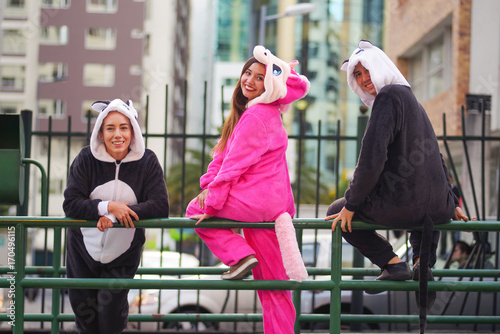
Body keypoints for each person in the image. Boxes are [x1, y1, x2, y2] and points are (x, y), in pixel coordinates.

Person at [324, 41, 470, 333]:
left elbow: (372, 156)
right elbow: (434, 154)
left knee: (336, 211)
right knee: (420, 208)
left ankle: (393, 264)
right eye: (358, 75)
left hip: (405, 202)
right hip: (436, 206)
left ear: (381, 67)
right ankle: (421, 263)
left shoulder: (388, 97)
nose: (365, 80)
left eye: (367, 71)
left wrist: (352, 203)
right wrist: (452, 200)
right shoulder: (412, 101)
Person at [186, 45, 310, 334]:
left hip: (257, 202)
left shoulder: (255, 118)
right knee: (274, 285)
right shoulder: (261, 114)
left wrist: (212, 202)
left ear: (269, 84)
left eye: (259, 77)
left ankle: (239, 256)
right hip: (272, 207)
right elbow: (222, 160)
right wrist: (208, 186)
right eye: (247, 73)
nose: (249, 81)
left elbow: (233, 168)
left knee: (195, 210)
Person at [63, 99, 169, 334]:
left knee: (111, 315)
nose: (117, 134)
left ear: (133, 131)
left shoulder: (147, 161)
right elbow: (71, 203)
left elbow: (160, 205)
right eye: (110, 128)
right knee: (85, 317)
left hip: (124, 253)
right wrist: (106, 206)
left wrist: (115, 216)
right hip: (82, 251)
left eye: (124, 127)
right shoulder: (85, 159)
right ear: (100, 133)